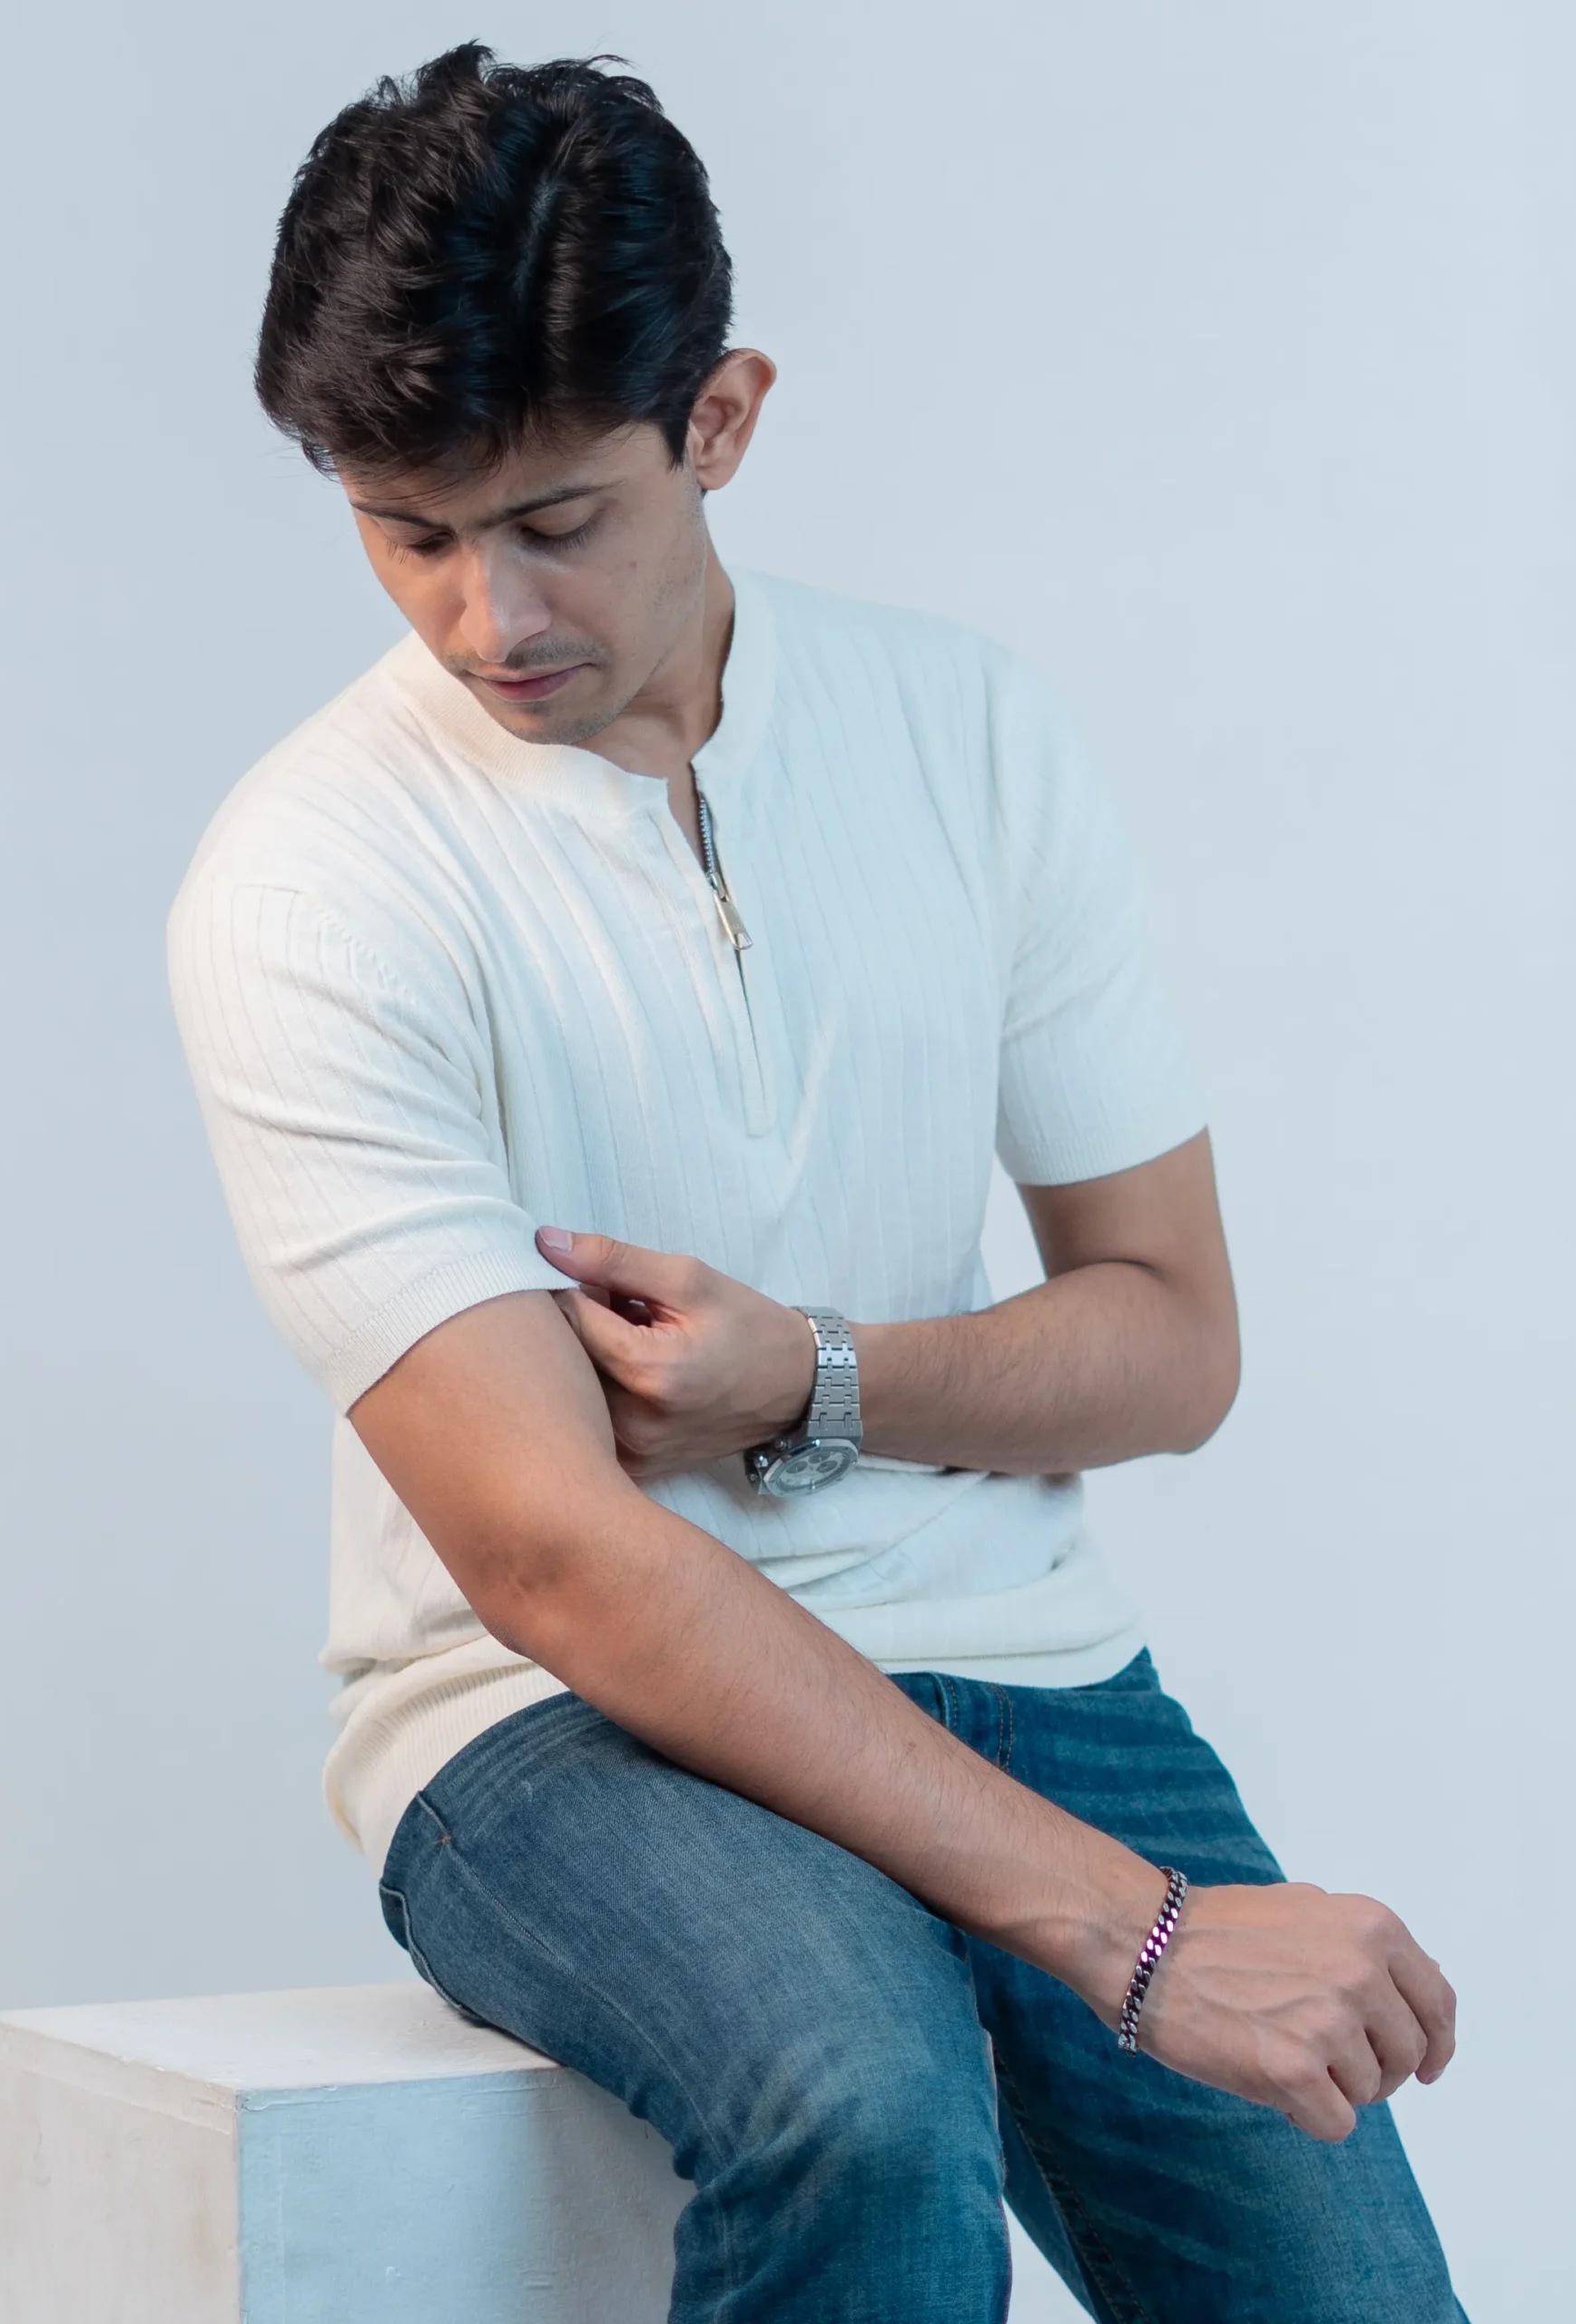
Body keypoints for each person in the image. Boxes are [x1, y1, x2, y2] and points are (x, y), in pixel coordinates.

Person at [171, 42, 1464, 2322]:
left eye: (554, 518)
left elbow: (1170, 1334)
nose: (485, 620)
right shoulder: (310, 881)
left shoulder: (966, 732)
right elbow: (549, 1550)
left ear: (721, 418)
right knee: (856, 2098)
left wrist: (807, 1378)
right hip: (545, 1728)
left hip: (1025, 1659)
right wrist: (1136, 1929)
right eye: (410, 533)